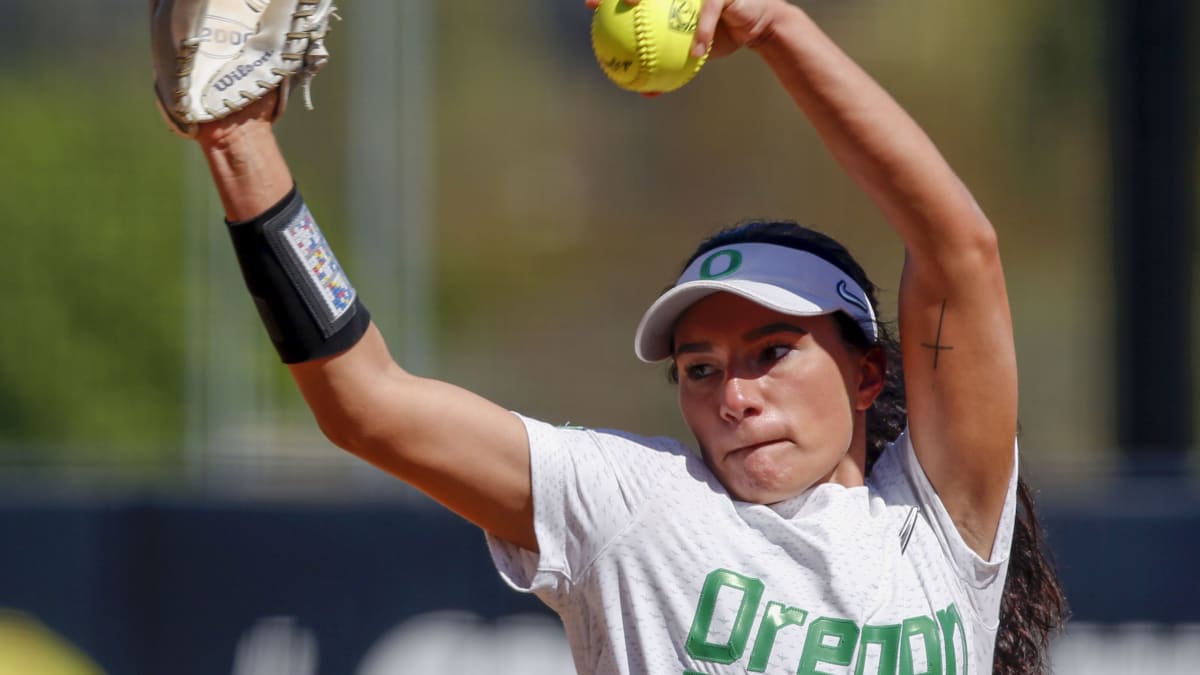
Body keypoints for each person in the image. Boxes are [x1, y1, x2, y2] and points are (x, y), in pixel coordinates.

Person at [150, 0, 1067, 672]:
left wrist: (781, 31)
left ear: (869, 375)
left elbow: (959, 247)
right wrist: (240, 148)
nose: (733, 393)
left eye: (771, 352)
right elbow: (368, 404)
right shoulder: (635, 505)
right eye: (699, 366)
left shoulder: (939, 521)